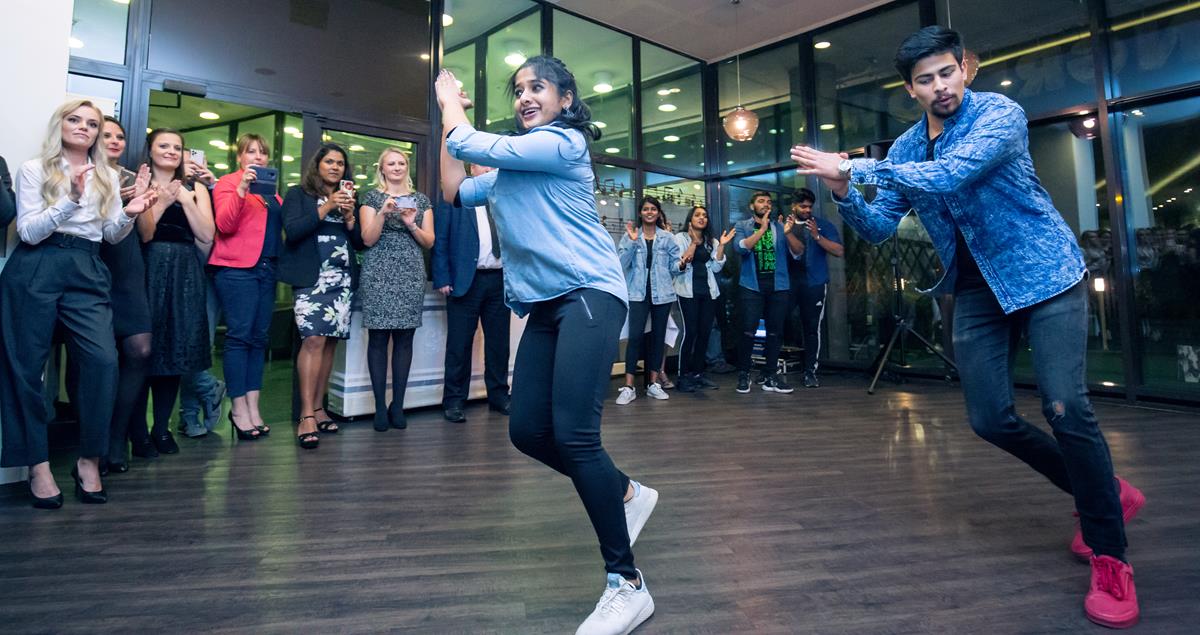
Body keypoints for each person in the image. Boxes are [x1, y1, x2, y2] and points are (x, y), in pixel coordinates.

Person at [791, 25, 1144, 629]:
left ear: (964, 69)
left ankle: (1110, 555)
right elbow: (878, 228)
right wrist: (845, 189)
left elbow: (953, 173)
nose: (940, 86)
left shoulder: (999, 116)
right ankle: (1105, 491)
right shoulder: (906, 147)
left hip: (1046, 274)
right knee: (989, 419)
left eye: (947, 73)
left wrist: (854, 164)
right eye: (925, 80)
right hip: (977, 291)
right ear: (911, 90)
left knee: (1064, 406)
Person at [437, 57, 657, 635]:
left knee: (576, 435)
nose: (525, 97)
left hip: (589, 292)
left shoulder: (563, 145)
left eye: (537, 87)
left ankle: (626, 584)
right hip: (545, 304)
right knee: (528, 430)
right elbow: (454, 190)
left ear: (565, 99)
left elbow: (468, 141)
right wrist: (446, 121)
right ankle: (626, 492)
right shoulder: (510, 173)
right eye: (519, 91)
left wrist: (449, 104)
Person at [0, 99, 156, 507]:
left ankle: (89, 460)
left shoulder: (106, 175)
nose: (83, 127)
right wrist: (70, 198)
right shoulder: (35, 169)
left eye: (92, 123)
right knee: (25, 367)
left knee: (103, 362)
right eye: (75, 119)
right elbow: (29, 232)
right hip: (37, 264)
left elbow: (110, 234)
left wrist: (130, 212)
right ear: (61, 124)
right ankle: (37, 466)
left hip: (87, 266)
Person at [137, 128, 215, 450]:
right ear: (150, 149)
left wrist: (184, 198)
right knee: (144, 351)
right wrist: (162, 200)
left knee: (175, 350)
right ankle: (137, 432)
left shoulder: (196, 187)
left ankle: (162, 429)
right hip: (149, 265)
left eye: (176, 147)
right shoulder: (140, 183)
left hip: (185, 269)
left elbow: (206, 235)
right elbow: (144, 234)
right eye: (163, 145)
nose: (170, 151)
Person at [280, 143, 362, 449]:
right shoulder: (298, 194)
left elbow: (359, 242)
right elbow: (293, 231)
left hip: (342, 280)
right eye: (329, 161)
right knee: (313, 340)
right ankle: (305, 414)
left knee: (329, 343)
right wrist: (327, 206)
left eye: (340, 163)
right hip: (311, 278)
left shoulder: (348, 196)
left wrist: (350, 217)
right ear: (318, 165)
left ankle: (318, 407)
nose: (335, 167)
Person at [210, 133, 282, 441]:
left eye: (262, 152)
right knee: (239, 338)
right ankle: (237, 408)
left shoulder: (271, 192)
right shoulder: (228, 183)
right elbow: (225, 225)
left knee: (259, 338)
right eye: (251, 151)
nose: (258, 157)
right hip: (236, 269)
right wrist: (241, 188)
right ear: (240, 156)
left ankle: (253, 406)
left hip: (267, 269)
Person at [358, 148, 434, 432]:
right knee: (378, 338)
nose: (397, 167)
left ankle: (398, 405)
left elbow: (429, 241)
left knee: (405, 338)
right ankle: (380, 406)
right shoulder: (371, 198)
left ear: (407, 167)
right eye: (391, 163)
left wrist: (410, 223)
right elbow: (367, 239)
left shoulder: (421, 200)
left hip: (410, 272)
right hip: (377, 272)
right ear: (382, 168)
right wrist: (383, 213)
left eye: (401, 162)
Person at [432, 159, 510, 423]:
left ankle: (499, 396)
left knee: (499, 344)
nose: (488, 170)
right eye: (482, 165)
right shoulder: (457, 196)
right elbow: (441, 240)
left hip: (499, 280)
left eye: (492, 166)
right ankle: (454, 401)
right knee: (459, 345)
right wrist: (442, 276)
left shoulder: (503, 198)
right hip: (465, 281)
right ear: (471, 169)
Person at [97, 117, 154, 470]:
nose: (115, 141)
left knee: (140, 349)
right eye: (107, 135)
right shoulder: (84, 175)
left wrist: (142, 201)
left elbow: (147, 234)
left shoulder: (133, 177)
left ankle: (117, 437)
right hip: (95, 264)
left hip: (129, 268)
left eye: (120, 136)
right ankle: (96, 443)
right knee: (94, 360)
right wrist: (117, 199)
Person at [732, 191, 803, 394]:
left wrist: (788, 233)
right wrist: (762, 229)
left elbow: (798, 253)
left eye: (769, 202)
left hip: (778, 286)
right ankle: (744, 374)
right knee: (748, 331)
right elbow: (741, 248)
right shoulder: (742, 226)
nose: (766, 204)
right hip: (751, 286)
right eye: (761, 201)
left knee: (775, 332)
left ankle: (770, 375)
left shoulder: (780, 227)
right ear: (752, 206)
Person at [615, 196, 683, 405]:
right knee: (635, 337)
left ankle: (653, 383)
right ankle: (629, 386)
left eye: (653, 209)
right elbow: (621, 264)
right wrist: (632, 242)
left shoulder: (667, 238)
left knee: (658, 337)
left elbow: (675, 268)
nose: (650, 212)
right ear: (640, 213)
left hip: (663, 294)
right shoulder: (631, 236)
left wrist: (682, 264)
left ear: (658, 212)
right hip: (637, 294)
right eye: (646, 209)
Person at [785, 188, 843, 388]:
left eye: (810, 206)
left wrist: (817, 236)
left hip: (814, 283)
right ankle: (772, 370)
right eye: (803, 206)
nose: (807, 210)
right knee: (779, 322)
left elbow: (838, 251)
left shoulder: (822, 225)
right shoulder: (783, 225)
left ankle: (810, 371)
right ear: (793, 206)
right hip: (787, 283)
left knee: (811, 328)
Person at [673, 206, 734, 393]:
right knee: (690, 332)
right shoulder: (680, 238)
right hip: (687, 291)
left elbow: (716, 268)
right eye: (697, 215)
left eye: (705, 216)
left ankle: (698, 374)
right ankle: (683, 376)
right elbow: (681, 263)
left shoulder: (711, 241)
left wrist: (721, 245)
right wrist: (693, 243)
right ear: (690, 219)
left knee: (704, 333)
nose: (702, 218)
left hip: (708, 292)